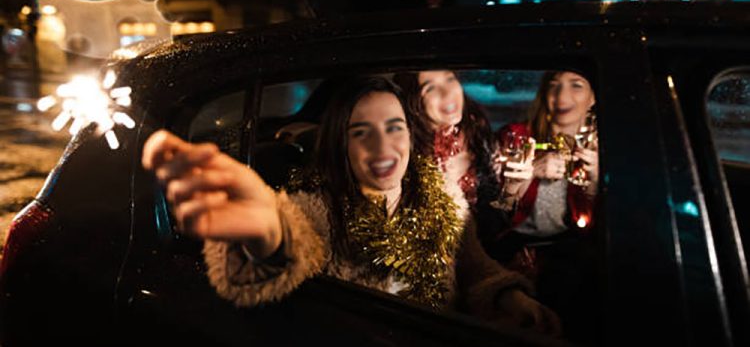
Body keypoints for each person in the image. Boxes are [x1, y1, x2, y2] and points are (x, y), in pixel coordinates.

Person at [141, 76, 561, 334]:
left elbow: (474, 268)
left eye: (393, 128)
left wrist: (509, 299)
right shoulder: (317, 209)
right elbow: (289, 242)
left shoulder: (446, 201)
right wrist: (266, 232)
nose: (383, 147)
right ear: (341, 142)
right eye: (361, 132)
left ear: (411, 136)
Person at [489, 70, 599, 343]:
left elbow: (611, 224)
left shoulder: (600, 148)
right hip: (515, 242)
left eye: (576, 85)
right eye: (554, 86)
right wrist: (530, 173)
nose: (562, 96)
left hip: (574, 248)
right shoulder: (516, 137)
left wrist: (596, 180)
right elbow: (496, 212)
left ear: (593, 97)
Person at [393, 70, 507, 234]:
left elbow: (500, 213)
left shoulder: (480, 136)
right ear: (414, 103)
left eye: (450, 79)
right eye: (430, 88)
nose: (448, 92)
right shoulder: (407, 158)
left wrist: (513, 185)